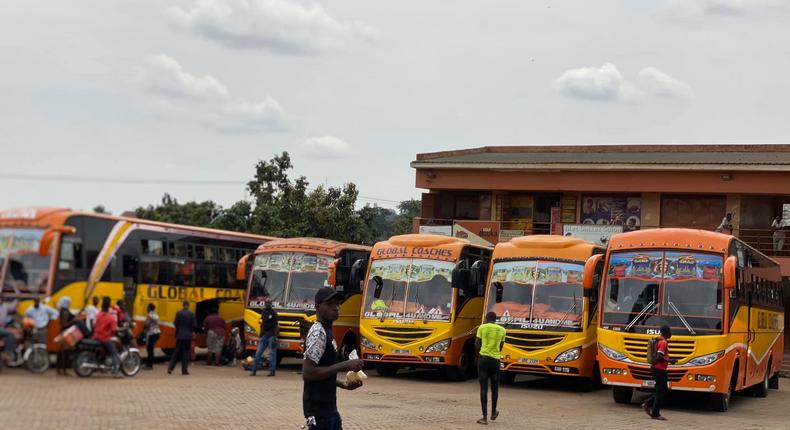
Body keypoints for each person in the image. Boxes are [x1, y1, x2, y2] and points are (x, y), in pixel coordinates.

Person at [302, 287, 364, 430]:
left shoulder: (327, 330)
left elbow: (323, 369)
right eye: (330, 304)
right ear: (317, 306)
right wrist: (345, 365)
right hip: (319, 411)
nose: (336, 308)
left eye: (337, 303)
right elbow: (308, 372)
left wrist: (344, 385)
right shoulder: (318, 333)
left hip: (329, 408)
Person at [475, 311, 506, 425]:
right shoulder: (502, 330)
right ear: (495, 319)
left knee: (483, 389)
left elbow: (477, 344)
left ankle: (484, 417)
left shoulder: (481, 328)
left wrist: (478, 356)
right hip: (495, 360)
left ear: (486, 318)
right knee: (495, 388)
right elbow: (501, 346)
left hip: (483, 359)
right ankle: (493, 412)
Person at [642, 325, 676, 420]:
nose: (671, 333)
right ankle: (654, 412)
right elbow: (659, 356)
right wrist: (670, 360)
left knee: (660, 390)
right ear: (666, 332)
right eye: (670, 331)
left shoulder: (658, 340)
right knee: (662, 390)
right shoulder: (663, 342)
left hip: (656, 369)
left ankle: (649, 405)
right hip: (659, 370)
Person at [93, 297, 122, 378]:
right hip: (104, 338)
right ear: (109, 307)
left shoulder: (98, 314)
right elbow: (114, 330)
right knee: (114, 353)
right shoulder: (110, 318)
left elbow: (94, 325)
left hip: (96, 336)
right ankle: (115, 372)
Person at [251, 299, 278, 376]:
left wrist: (275, 337)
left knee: (272, 354)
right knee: (258, 354)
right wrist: (260, 333)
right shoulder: (263, 312)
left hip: (271, 336)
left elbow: (276, 326)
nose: (267, 304)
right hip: (263, 335)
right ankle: (254, 370)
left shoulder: (274, 313)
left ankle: (272, 371)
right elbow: (262, 323)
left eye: (269, 303)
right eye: (266, 303)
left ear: (271, 304)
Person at [168, 300, 196, 375]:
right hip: (187, 336)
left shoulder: (178, 313)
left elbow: (175, 323)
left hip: (179, 335)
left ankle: (170, 368)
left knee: (176, 352)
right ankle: (184, 370)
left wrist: (179, 330)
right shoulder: (191, 314)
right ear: (188, 305)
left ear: (183, 305)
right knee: (186, 353)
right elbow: (194, 325)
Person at [55, 296, 74, 375]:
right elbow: (64, 324)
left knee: (61, 351)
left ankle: (59, 369)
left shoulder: (62, 311)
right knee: (64, 352)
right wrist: (73, 322)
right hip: (64, 333)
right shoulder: (65, 312)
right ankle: (63, 370)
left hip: (62, 332)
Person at [143, 303, 160, 370]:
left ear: (149, 308)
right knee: (151, 348)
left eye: (147, 308)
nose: (147, 309)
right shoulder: (156, 314)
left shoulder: (150, 315)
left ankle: (149, 365)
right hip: (157, 333)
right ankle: (149, 363)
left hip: (152, 333)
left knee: (149, 349)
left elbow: (146, 324)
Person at [0, 296, 16, 361]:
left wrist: (16, 301)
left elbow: (13, 309)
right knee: (10, 334)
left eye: (1, 299)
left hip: (2, 327)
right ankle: (8, 352)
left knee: (8, 336)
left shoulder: (4, 306)